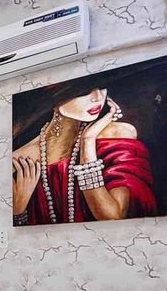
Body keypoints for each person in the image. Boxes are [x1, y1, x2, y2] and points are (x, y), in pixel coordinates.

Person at [11, 87, 156, 225]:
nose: (97, 97)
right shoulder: (20, 159)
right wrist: (18, 211)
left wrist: (88, 141)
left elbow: (113, 215)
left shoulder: (117, 136)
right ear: (53, 98)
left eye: (101, 87)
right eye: (84, 91)